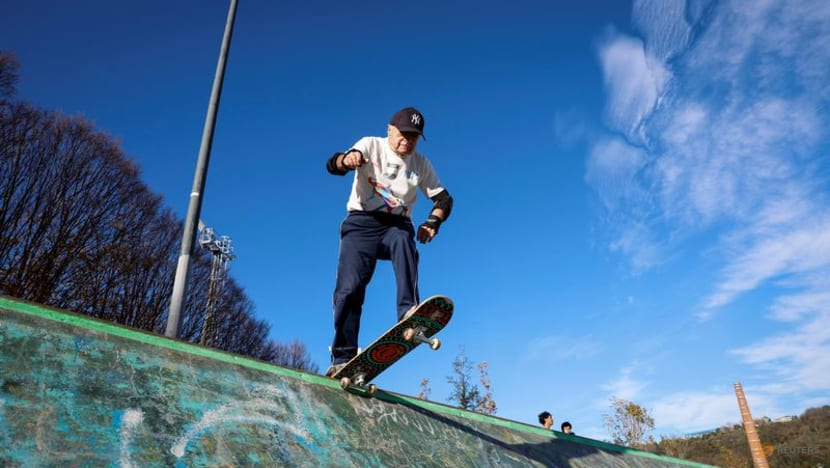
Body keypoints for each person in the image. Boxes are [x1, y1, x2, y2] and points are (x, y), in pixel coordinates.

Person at [324, 107, 453, 377]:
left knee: (404, 241)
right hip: (361, 223)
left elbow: (444, 199)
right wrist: (347, 159)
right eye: (403, 134)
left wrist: (432, 222)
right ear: (390, 129)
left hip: (396, 224)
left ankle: (409, 313)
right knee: (349, 290)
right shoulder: (371, 145)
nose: (407, 141)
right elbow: (332, 164)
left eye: (414, 138)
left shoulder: (421, 163)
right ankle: (343, 355)